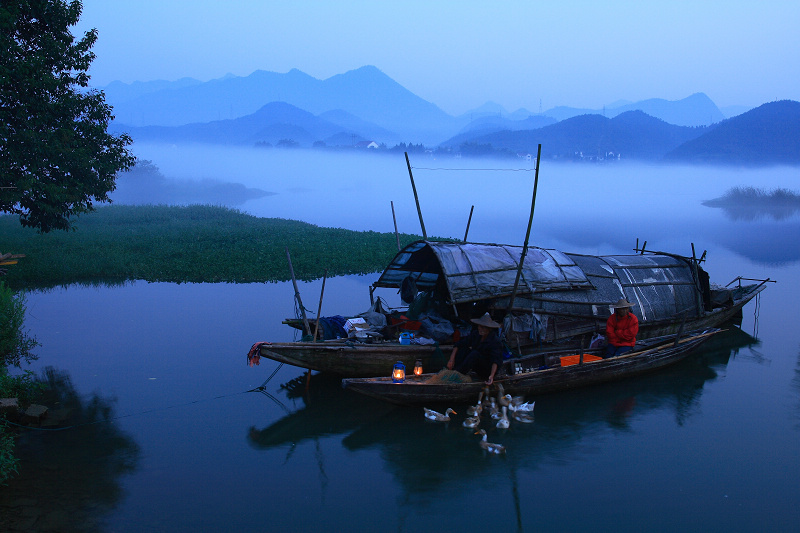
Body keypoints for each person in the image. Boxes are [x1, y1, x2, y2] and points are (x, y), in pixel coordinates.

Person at [446, 312, 503, 385]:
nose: (480, 329)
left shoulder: (495, 341)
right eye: (479, 326)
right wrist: (451, 360)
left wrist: (491, 376)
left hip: (487, 369)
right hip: (476, 365)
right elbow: (459, 344)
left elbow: (495, 361)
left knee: (474, 354)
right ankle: (455, 370)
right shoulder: (476, 334)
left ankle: (458, 374)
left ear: (489, 329)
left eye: (483, 327)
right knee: (464, 349)